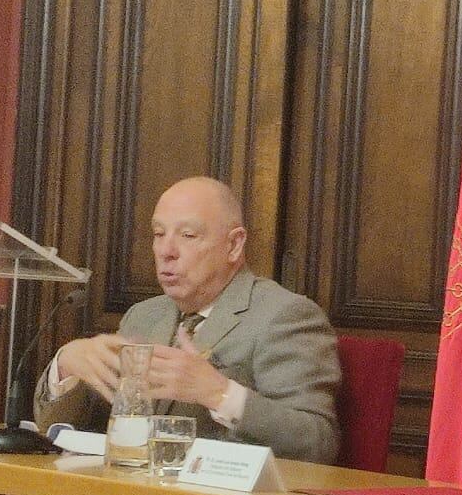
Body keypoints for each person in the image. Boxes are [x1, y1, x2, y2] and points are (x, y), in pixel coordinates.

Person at [34, 177, 341, 463]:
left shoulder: (284, 316)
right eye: (158, 234)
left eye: (188, 235)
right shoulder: (144, 316)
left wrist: (218, 393)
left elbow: (317, 442)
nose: (166, 251)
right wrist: (66, 366)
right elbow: (64, 427)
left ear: (234, 245)